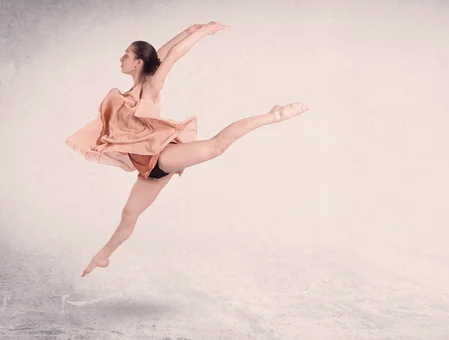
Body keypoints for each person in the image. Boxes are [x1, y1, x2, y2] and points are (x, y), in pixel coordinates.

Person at [65, 22, 308, 277]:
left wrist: (202, 34)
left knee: (216, 146)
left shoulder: (150, 88)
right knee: (128, 215)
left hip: (164, 156)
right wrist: (188, 31)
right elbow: (162, 52)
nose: (121, 58)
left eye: (126, 54)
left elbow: (173, 56)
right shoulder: (132, 90)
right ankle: (102, 256)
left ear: (137, 63)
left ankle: (274, 115)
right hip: (149, 170)